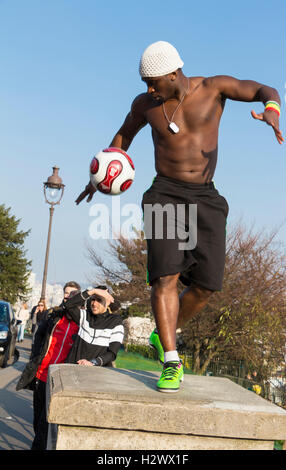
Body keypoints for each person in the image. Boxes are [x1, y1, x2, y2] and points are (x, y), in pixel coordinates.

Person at [75, 41, 283, 393]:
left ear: (174, 73)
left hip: (206, 196)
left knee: (207, 285)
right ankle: (171, 359)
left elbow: (264, 89)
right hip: (164, 193)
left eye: (154, 82)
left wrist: (272, 110)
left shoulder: (213, 89)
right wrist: (100, 177)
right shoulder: (146, 105)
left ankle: (162, 333)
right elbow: (123, 135)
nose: (149, 90)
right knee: (165, 276)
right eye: (145, 84)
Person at [16, 281, 81, 450]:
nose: (68, 296)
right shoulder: (54, 314)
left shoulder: (82, 321)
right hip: (41, 374)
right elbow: (39, 336)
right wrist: (35, 358)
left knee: (46, 424)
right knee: (38, 421)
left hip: (59, 379)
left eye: (72, 294)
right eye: (66, 293)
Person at [64, 285, 124, 367]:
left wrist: (93, 362)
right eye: (93, 299)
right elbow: (68, 305)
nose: (94, 303)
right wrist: (92, 291)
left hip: (96, 374)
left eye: (99, 300)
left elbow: (112, 353)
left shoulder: (116, 322)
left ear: (108, 302)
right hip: (72, 368)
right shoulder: (84, 315)